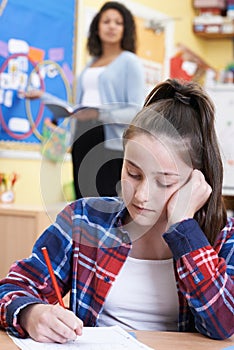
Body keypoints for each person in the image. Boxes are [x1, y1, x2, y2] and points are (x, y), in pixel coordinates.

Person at [0, 79, 233, 343]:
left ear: (197, 181)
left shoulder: (223, 237)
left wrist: (184, 230)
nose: (142, 195)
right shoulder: (83, 220)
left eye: (165, 181)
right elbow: (11, 287)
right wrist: (31, 313)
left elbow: (224, 325)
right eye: (133, 173)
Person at [23, 1, 145, 199]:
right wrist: (43, 96)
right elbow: (76, 107)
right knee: (83, 204)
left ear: (126, 29)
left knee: (105, 206)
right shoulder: (90, 64)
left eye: (118, 22)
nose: (112, 26)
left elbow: (136, 112)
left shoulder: (130, 62)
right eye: (106, 21)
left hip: (109, 141)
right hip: (82, 136)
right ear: (97, 27)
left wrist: (99, 113)